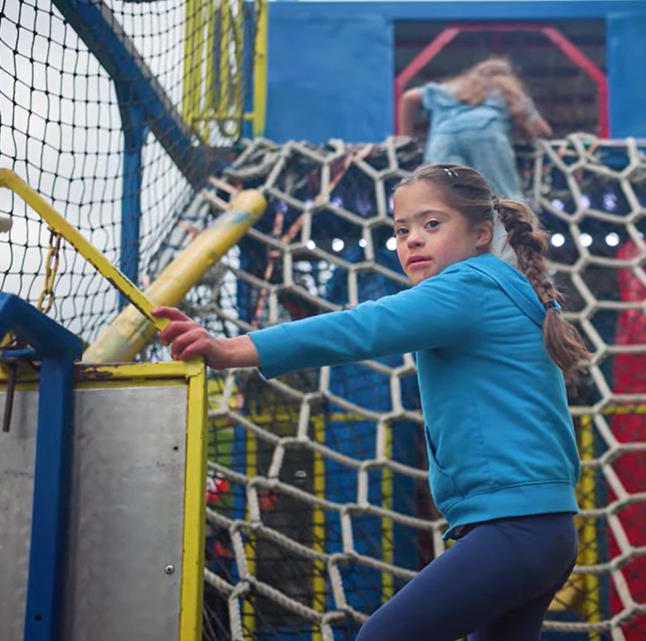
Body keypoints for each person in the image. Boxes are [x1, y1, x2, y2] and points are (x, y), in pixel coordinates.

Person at [153, 163, 589, 641]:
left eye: (432, 224)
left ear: (481, 233)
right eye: (402, 230)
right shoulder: (506, 291)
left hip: (512, 529)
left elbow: (359, 328)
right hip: (543, 530)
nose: (413, 240)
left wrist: (232, 349)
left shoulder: (469, 287)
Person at [398, 58, 551, 265]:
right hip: (487, 137)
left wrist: (406, 137)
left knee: (437, 200)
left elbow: (409, 97)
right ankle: (512, 259)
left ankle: (441, 257)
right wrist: (523, 132)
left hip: (444, 139)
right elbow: (540, 130)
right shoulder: (504, 88)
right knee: (504, 199)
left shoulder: (450, 88)